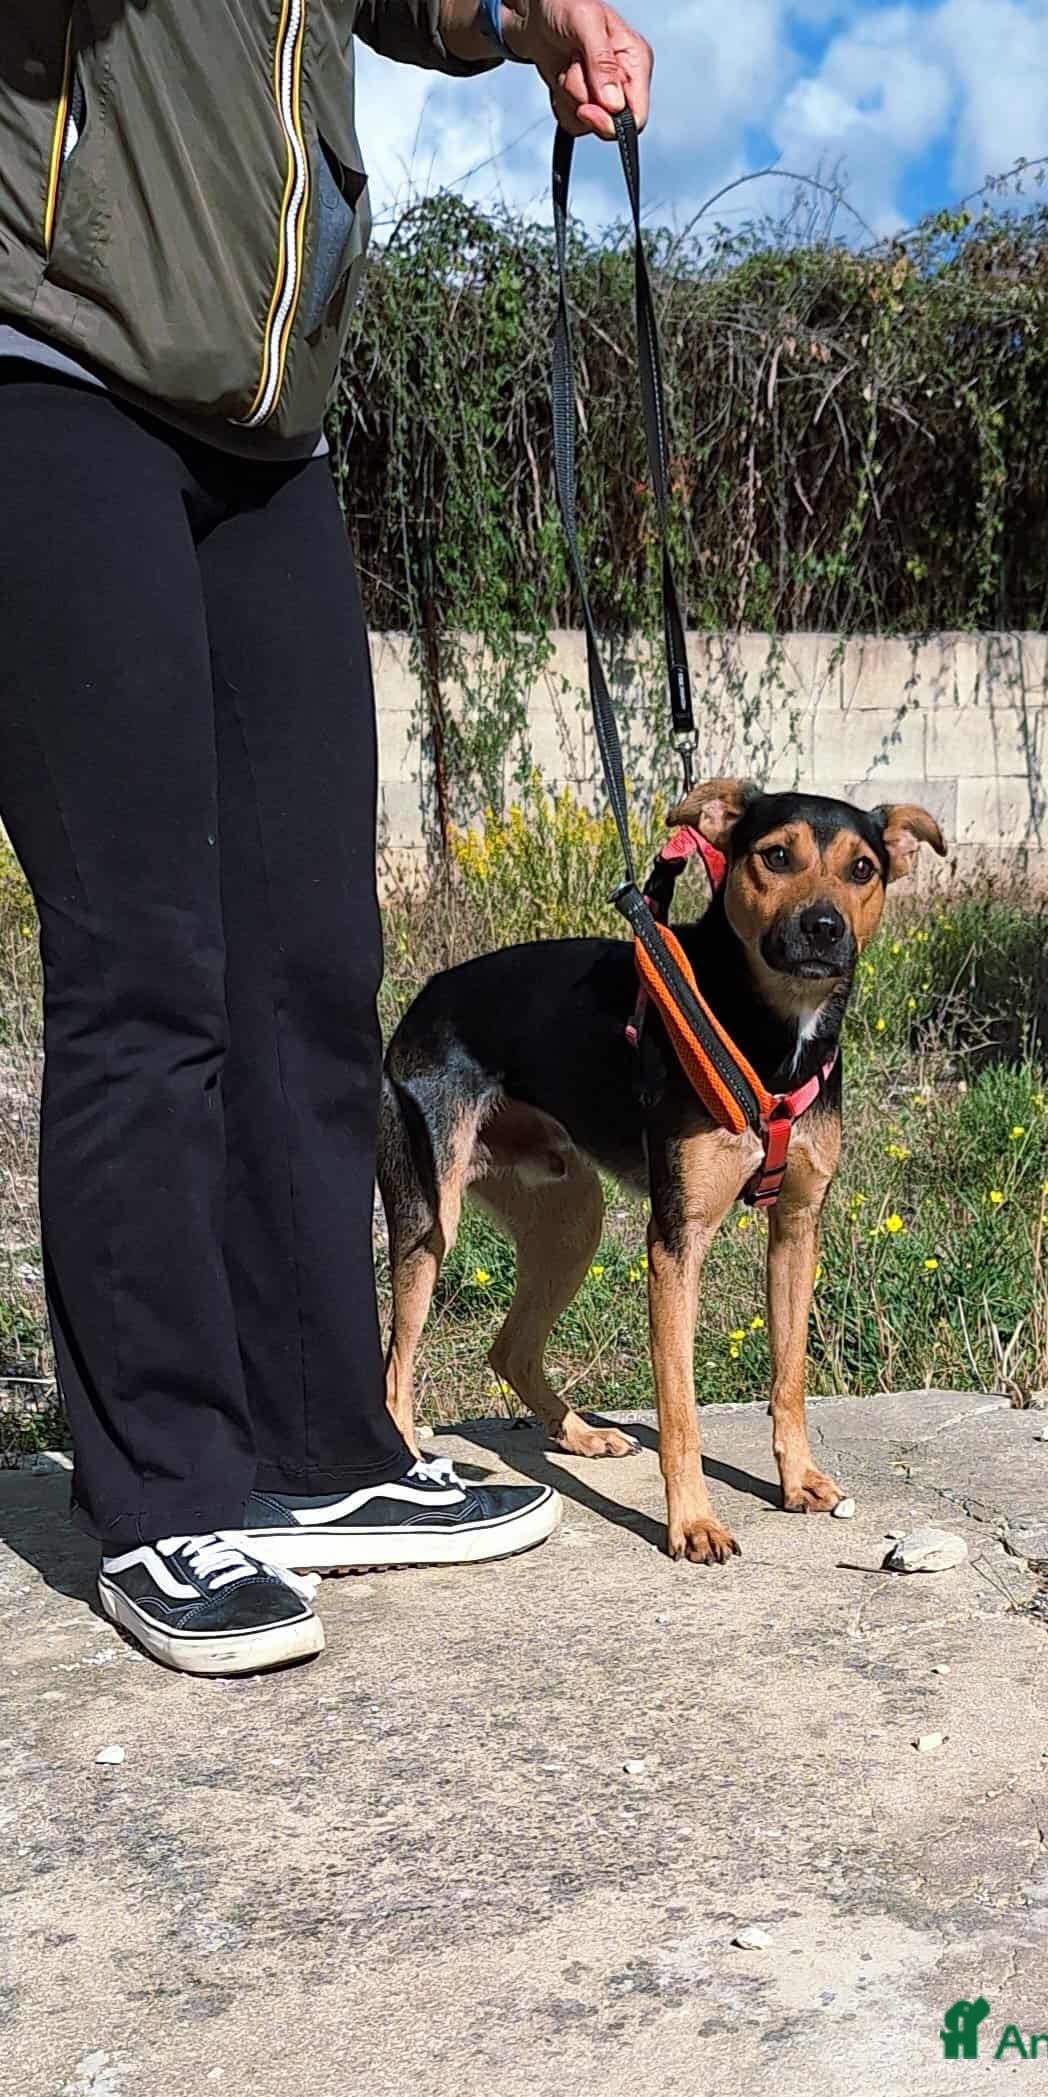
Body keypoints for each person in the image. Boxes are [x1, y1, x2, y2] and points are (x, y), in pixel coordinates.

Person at [0, 1, 651, 1677]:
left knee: (308, 962)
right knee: (145, 963)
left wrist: (516, 18)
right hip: (48, 357)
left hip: (268, 423)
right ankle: (163, 1488)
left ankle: (311, 1438)